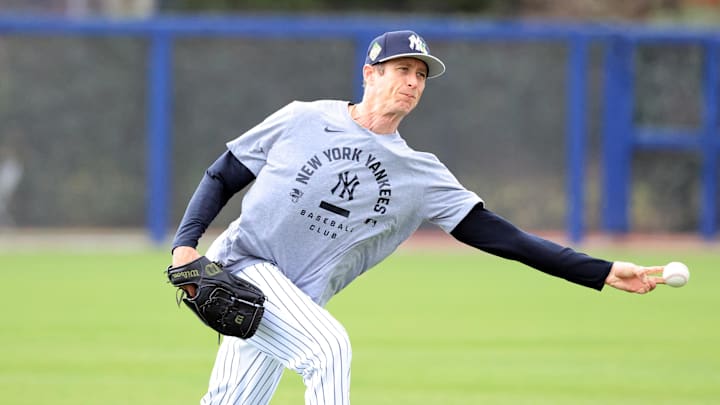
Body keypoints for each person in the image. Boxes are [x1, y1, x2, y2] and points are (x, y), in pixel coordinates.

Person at [170, 30, 665, 405]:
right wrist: (185, 245)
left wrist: (599, 271)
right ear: (370, 74)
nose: (411, 81)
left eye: (420, 74)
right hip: (241, 268)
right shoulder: (303, 118)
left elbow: (502, 237)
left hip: (292, 300)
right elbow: (223, 175)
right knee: (328, 349)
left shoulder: (420, 175)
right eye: (401, 69)